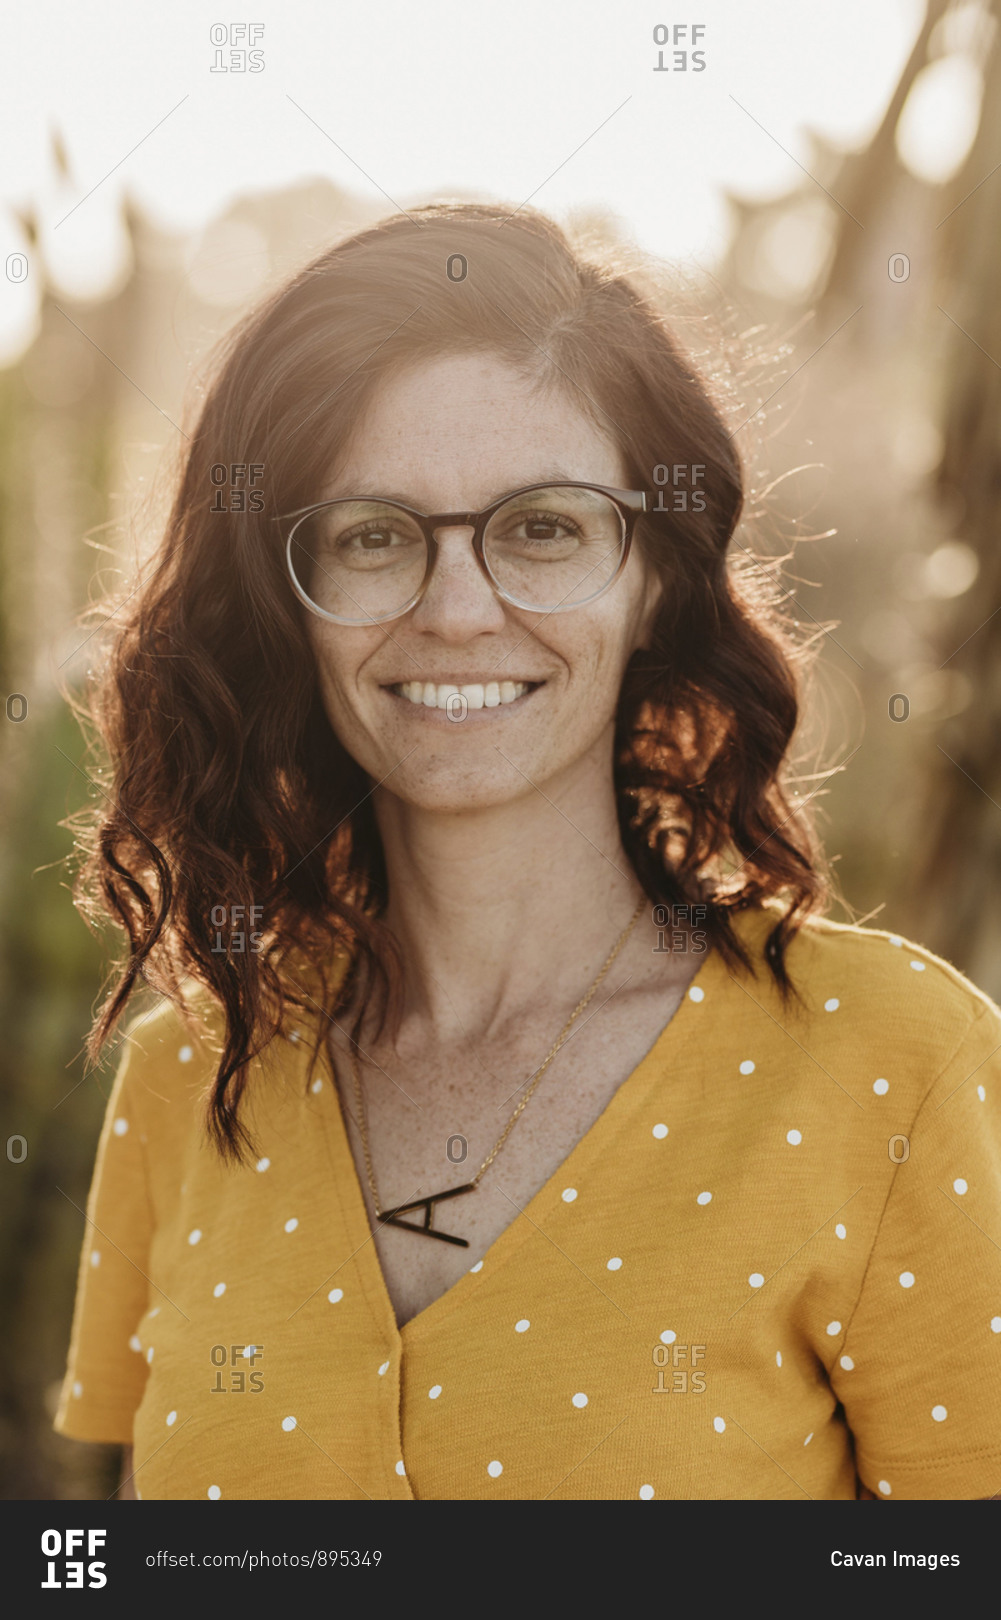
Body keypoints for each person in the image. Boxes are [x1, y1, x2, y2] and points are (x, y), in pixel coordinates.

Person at [55, 202, 1001, 1501]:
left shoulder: (892, 1063)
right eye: (374, 535)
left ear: (654, 576)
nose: (455, 612)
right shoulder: (187, 1074)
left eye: (543, 528)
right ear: (290, 597)